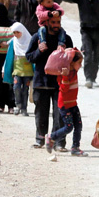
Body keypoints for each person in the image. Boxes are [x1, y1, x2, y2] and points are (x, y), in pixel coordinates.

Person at [26, 14, 72, 151]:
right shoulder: (37, 37)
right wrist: (39, 51)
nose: (56, 25)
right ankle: (40, 139)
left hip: (60, 83)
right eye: (53, 22)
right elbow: (29, 57)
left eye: (58, 22)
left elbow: (73, 59)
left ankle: (59, 142)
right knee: (41, 113)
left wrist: (67, 53)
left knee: (60, 114)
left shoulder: (65, 39)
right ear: (46, 22)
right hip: (41, 81)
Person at [46, 53, 87, 157]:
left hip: (73, 103)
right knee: (69, 127)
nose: (81, 65)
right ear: (72, 63)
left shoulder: (74, 72)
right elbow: (64, 89)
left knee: (78, 126)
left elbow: (71, 53)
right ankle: (51, 137)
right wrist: (64, 76)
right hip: (65, 105)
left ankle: (75, 148)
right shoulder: (62, 74)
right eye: (79, 63)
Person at [2, 22, 33, 116]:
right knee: (16, 87)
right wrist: (4, 69)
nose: (16, 34)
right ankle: (18, 105)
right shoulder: (13, 42)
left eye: (17, 32)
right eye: (14, 32)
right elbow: (8, 57)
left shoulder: (30, 41)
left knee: (25, 89)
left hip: (28, 71)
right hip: (17, 70)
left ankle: (24, 109)